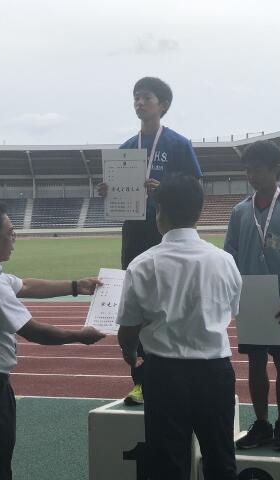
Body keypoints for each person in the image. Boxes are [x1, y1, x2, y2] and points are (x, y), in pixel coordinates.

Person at [0, 199, 105, 480]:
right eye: (11, 233)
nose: (14, 240)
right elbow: (33, 331)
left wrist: (76, 286)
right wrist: (80, 335)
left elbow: (26, 285)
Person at [116, 174, 241, 480]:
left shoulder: (143, 264)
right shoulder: (224, 260)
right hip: (215, 372)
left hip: (165, 374)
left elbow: (128, 328)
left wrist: (130, 353)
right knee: (221, 460)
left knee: (168, 465)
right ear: (199, 211)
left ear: (160, 212)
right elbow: (232, 310)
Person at [98, 76, 202, 405]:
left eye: (146, 97)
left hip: (166, 231)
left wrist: (165, 190)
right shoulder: (126, 148)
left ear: (163, 105)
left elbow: (195, 187)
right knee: (137, 303)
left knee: (171, 299)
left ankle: (179, 371)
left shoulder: (178, 144)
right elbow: (114, 190)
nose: (139, 103)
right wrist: (106, 191)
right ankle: (141, 381)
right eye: (136, 98)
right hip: (134, 232)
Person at [224, 140, 280, 451]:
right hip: (250, 300)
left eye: (258, 169)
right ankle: (261, 423)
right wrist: (233, 294)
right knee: (255, 362)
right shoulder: (240, 212)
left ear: (276, 169)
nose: (252, 175)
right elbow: (229, 256)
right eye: (248, 170)